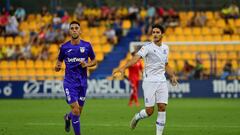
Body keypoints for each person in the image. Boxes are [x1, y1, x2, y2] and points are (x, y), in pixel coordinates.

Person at [113, 24, 178, 135]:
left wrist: (172, 76)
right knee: (149, 111)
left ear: (162, 34)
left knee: (162, 107)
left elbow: (166, 64)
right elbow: (135, 58)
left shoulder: (166, 48)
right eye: (153, 32)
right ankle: (137, 117)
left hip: (162, 81)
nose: (155, 34)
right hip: (149, 82)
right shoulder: (147, 47)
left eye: (157, 32)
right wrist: (123, 67)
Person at [55, 21, 96, 135]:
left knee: (77, 112)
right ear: (69, 31)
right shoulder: (64, 47)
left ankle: (68, 117)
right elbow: (58, 62)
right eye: (72, 28)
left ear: (80, 30)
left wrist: (87, 65)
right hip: (69, 82)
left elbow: (94, 61)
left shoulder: (87, 46)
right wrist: (57, 67)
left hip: (82, 82)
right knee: (76, 110)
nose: (74, 30)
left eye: (76, 28)